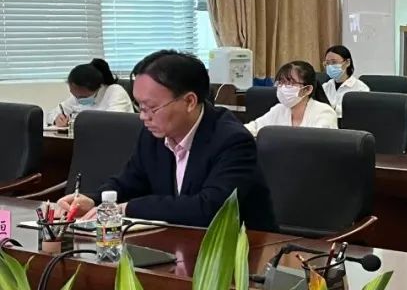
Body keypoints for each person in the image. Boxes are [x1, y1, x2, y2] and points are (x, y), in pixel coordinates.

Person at [56, 50, 276, 230]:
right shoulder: (154, 133)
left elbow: (209, 208)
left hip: (238, 252)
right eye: (140, 107)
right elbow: (130, 181)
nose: (143, 116)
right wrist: (94, 200)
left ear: (189, 101)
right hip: (177, 244)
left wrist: (125, 209)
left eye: (151, 107)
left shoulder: (232, 140)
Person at [246, 61, 338, 136]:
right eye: (281, 82)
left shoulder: (324, 113)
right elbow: (253, 128)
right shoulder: (279, 109)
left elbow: (317, 145)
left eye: (290, 83)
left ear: (307, 89)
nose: (283, 87)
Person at [46, 58, 133, 126]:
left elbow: (113, 122)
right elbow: (51, 114)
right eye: (75, 95)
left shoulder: (115, 92)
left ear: (98, 87)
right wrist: (56, 119)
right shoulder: (76, 97)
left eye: (83, 97)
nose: (78, 99)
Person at [321, 45, 369, 116]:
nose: (330, 66)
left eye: (334, 62)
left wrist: (332, 108)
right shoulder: (325, 87)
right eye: (327, 63)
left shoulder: (361, 89)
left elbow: (360, 113)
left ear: (347, 62)